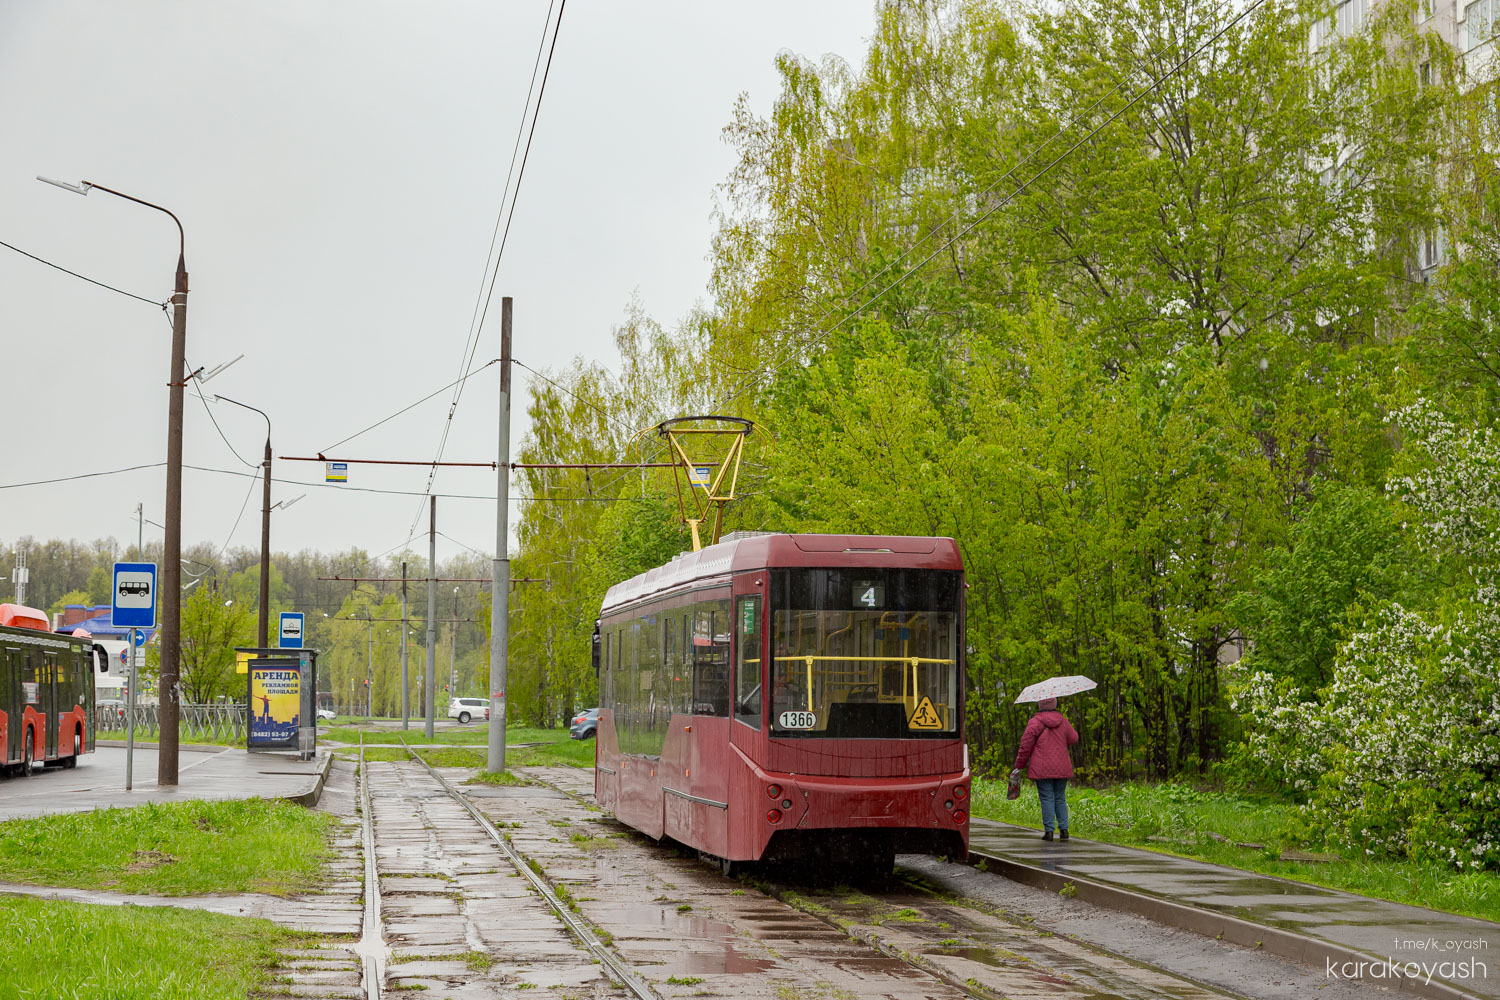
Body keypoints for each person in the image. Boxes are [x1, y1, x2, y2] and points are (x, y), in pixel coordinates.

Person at [1014, 696, 1080, 841]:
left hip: (1041, 768)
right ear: (1055, 703)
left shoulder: (1035, 722)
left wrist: (1019, 765)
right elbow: (1074, 738)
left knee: (1046, 798)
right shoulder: (1063, 721)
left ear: (1040, 705)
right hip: (1061, 767)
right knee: (1060, 797)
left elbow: (1025, 746)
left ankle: (1049, 831)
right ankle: (1064, 830)